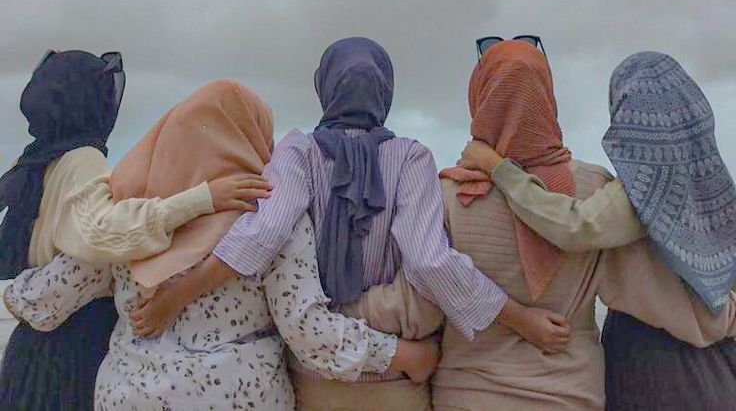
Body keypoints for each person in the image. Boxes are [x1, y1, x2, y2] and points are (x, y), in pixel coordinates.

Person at [131, 37, 570, 411]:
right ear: (386, 91)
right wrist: (521, 319)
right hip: (400, 374)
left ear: (325, 87)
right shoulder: (411, 157)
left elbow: (262, 234)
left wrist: (178, 295)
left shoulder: (297, 150)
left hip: (318, 371)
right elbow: (429, 262)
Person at [6, 78, 438, 411]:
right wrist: (403, 354)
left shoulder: (134, 214)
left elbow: (48, 298)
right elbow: (307, 332)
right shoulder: (269, 214)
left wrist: (16, 294)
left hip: (130, 394)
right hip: (239, 395)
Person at [420, 40, 736, 410]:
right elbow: (641, 287)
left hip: (469, 393)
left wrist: (496, 168)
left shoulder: (442, 195)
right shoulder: (607, 186)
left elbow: (423, 308)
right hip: (573, 394)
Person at [0, 50, 260, 411]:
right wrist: (201, 199)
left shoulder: (32, 160)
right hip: (73, 349)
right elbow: (102, 235)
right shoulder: (82, 159)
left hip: (29, 350)